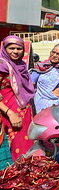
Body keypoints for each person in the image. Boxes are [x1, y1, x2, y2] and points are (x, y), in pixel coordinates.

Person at [0, 35, 35, 165]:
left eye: (19, 48)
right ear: (4, 48)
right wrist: (10, 113)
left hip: (24, 114)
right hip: (7, 115)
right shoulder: (2, 65)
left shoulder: (20, 65)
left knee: (26, 149)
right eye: (11, 48)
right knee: (12, 151)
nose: (15, 51)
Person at [31, 44, 59, 114]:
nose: (54, 55)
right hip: (40, 102)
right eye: (53, 52)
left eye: (58, 54)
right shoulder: (41, 67)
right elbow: (31, 85)